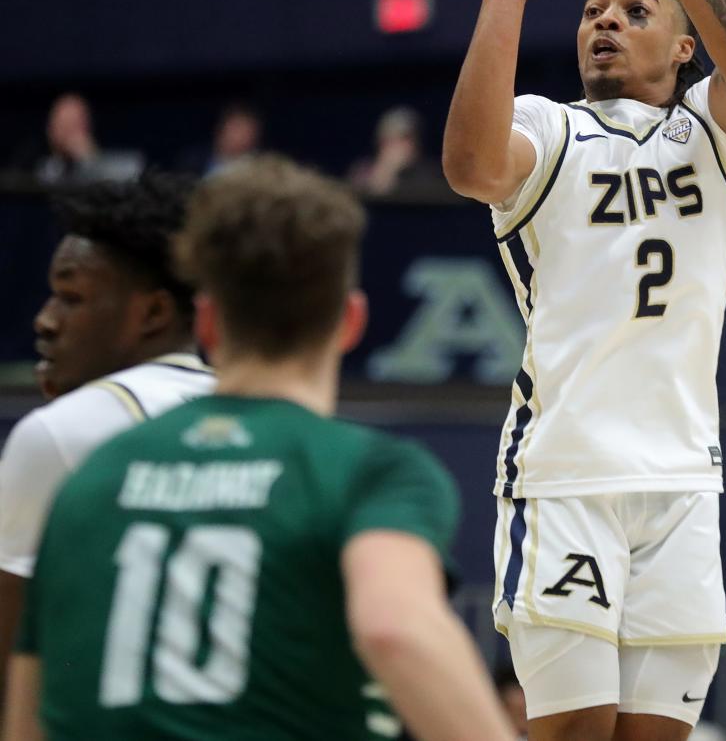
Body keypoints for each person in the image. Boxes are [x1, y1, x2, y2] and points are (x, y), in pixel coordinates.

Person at [442, 0, 726, 741]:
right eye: (593, 8)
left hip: (683, 483)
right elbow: (469, 166)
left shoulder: (716, 140)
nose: (604, 19)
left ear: (684, 47)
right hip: (566, 478)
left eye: (635, 9)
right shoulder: (548, 131)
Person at [3, 155, 515, 741]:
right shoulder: (370, 471)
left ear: (209, 323)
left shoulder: (90, 475)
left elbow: (26, 714)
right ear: (350, 322)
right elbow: (394, 629)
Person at [0, 172, 213, 704]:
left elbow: (10, 652)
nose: (45, 321)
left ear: (154, 313)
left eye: (71, 297)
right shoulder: (251, 411)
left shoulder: (62, 432)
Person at [34, 93, 143, 184]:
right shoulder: (42, 172)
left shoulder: (127, 167)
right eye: (63, 125)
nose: (68, 135)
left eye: (74, 125)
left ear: (87, 127)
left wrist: (89, 158)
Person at [348, 105, 446, 200]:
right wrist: (386, 170)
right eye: (400, 139)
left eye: (411, 139)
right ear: (382, 143)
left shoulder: (430, 173)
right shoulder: (362, 171)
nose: (408, 146)